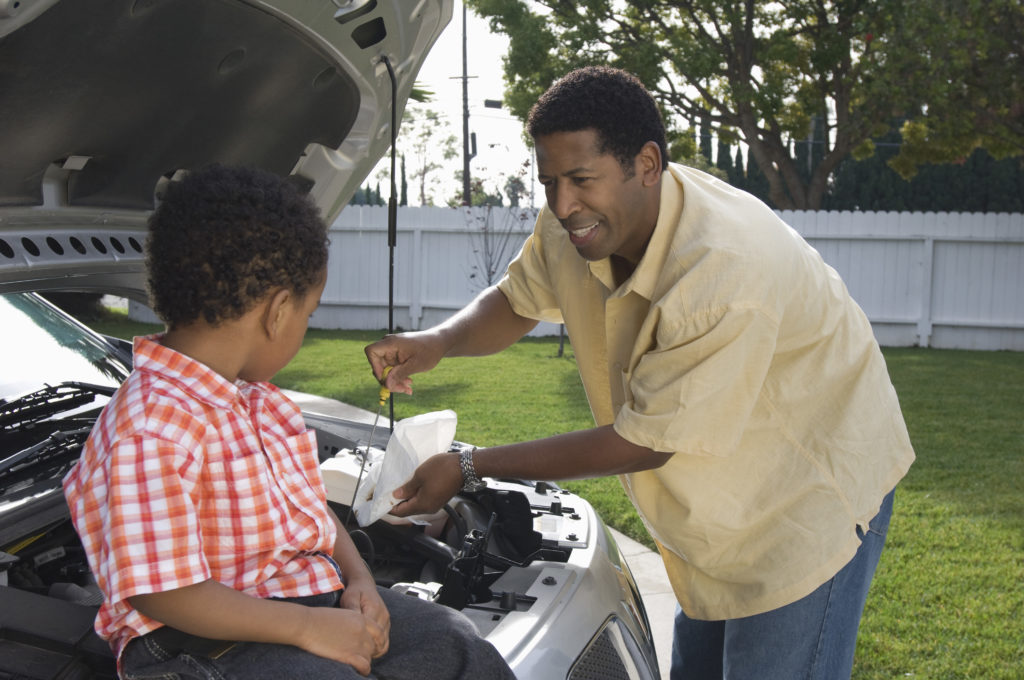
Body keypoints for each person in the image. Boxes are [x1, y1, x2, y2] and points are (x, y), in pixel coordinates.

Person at [365, 67, 915, 680]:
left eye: (579, 180)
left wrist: (468, 467)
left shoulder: (723, 273)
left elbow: (641, 442)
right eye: (549, 181)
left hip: (802, 506)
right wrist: (437, 341)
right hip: (716, 513)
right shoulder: (577, 221)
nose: (562, 204)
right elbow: (519, 299)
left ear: (646, 164)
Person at [63, 164, 515, 680]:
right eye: (310, 312)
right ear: (278, 311)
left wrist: (359, 579)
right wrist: (305, 627)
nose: (304, 324)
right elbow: (162, 592)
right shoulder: (148, 428)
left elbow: (313, 515)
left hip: (308, 601)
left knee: (456, 645)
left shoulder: (263, 403)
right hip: (195, 642)